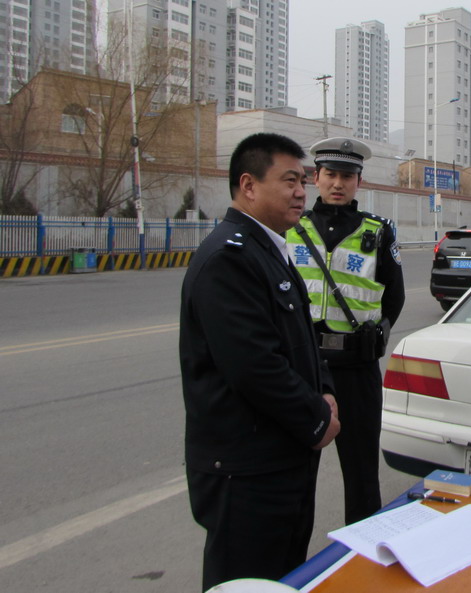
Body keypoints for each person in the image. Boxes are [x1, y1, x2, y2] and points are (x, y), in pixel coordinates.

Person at [179, 132, 340, 591]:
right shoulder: (227, 259)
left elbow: (302, 339)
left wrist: (325, 390)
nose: (301, 191)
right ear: (248, 185)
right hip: (246, 472)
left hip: (280, 461)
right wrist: (317, 419)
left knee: (283, 578)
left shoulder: (269, 249)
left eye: (303, 181)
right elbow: (254, 366)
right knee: (247, 581)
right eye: (289, 180)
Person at [286, 137, 405, 524]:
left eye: (347, 176)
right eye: (331, 175)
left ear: (359, 182)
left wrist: (380, 333)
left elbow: (395, 296)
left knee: (362, 475)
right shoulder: (292, 229)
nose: (338, 183)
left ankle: (363, 550)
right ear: (315, 178)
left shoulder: (378, 232)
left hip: (356, 368)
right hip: (304, 367)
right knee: (296, 472)